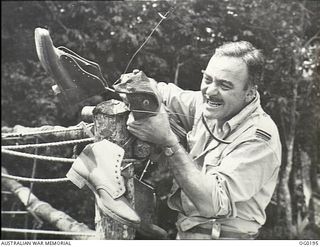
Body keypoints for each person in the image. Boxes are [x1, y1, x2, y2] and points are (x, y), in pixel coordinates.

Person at [127, 41, 282, 239]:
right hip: (186, 234)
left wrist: (168, 142)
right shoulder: (207, 105)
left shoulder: (259, 137)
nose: (210, 91)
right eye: (207, 79)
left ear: (250, 92)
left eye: (224, 85)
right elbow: (162, 93)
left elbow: (211, 204)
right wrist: (137, 88)